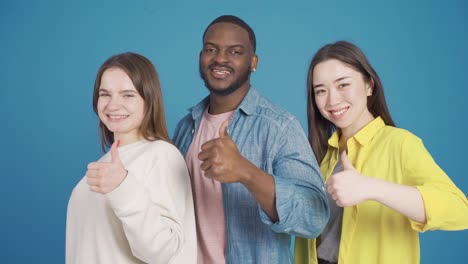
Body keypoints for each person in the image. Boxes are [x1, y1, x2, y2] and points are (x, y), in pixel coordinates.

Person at [172, 15, 329, 264]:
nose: (220, 58)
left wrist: (246, 172)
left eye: (235, 51)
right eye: (211, 49)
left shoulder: (278, 127)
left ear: (253, 62)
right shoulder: (185, 127)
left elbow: (315, 216)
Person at [295, 41, 468, 264]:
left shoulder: (400, 144)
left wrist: (371, 188)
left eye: (343, 85)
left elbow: (460, 210)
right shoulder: (322, 155)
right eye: (321, 91)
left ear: (370, 86)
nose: (332, 100)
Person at [66, 52, 196, 264]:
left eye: (128, 95)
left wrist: (123, 187)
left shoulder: (162, 155)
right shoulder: (105, 164)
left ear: (149, 100)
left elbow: (163, 251)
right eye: (105, 94)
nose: (113, 105)